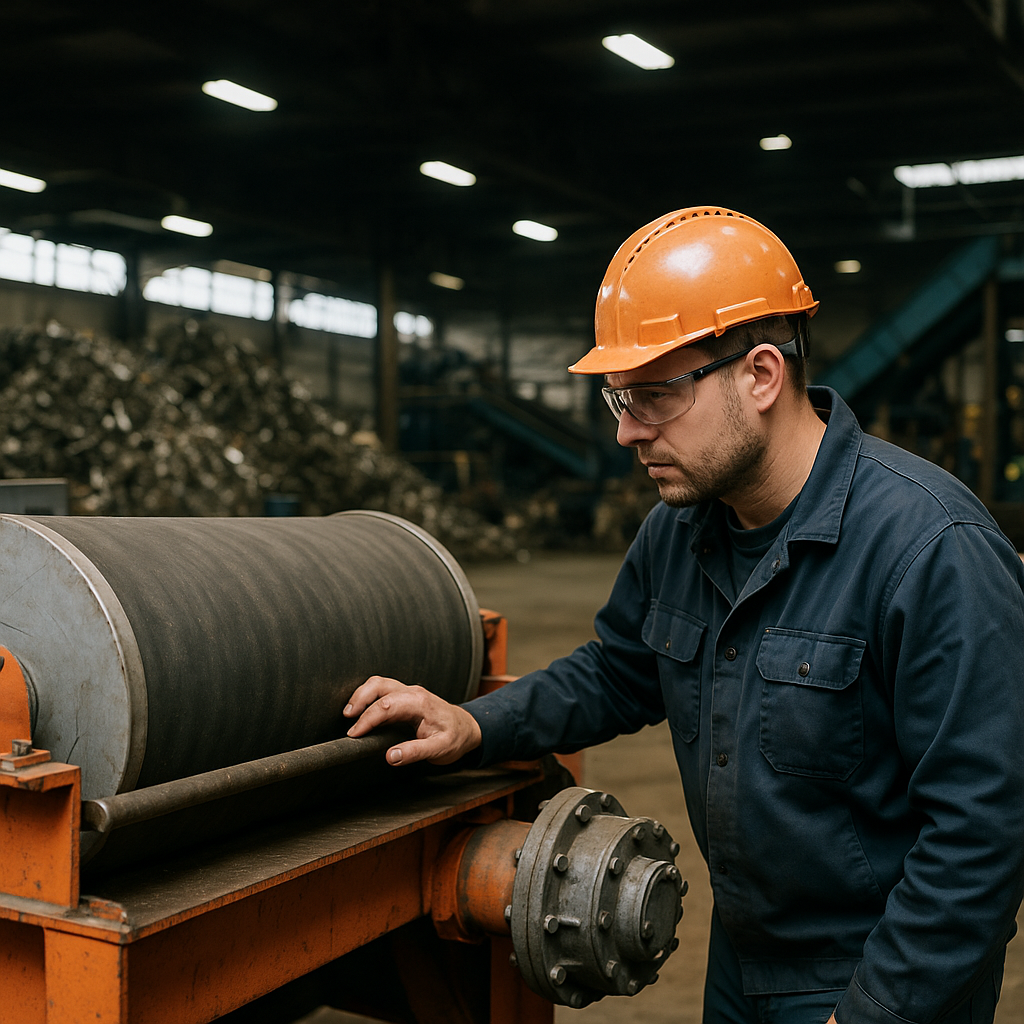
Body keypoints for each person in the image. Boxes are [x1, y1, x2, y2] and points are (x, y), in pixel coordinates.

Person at [344, 206, 1024, 1024]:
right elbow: (618, 669)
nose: (628, 431)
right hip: (743, 960)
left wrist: (877, 1009)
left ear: (762, 375)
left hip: (881, 970)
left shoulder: (930, 549)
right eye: (617, 398)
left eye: (655, 394)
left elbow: (983, 829)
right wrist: (476, 725)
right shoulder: (681, 529)